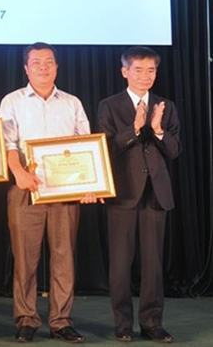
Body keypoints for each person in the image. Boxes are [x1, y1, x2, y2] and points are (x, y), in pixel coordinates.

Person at [0, 42, 97, 344]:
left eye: (49, 62)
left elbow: (86, 146)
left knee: (64, 256)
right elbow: (8, 144)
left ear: (57, 67)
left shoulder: (72, 103)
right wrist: (19, 173)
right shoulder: (12, 101)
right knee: (25, 259)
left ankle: (61, 321)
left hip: (65, 189)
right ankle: (26, 319)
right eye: (36, 62)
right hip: (25, 186)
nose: (43, 67)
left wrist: (88, 185)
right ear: (26, 68)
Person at [97, 46, 180, 343]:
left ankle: (152, 323)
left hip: (156, 194)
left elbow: (174, 150)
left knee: (153, 263)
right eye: (139, 70)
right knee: (120, 263)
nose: (146, 76)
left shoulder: (166, 106)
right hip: (123, 193)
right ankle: (122, 324)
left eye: (151, 70)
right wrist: (134, 129)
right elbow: (105, 148)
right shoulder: (109, 106)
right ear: (125, 71)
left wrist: (157, 130)